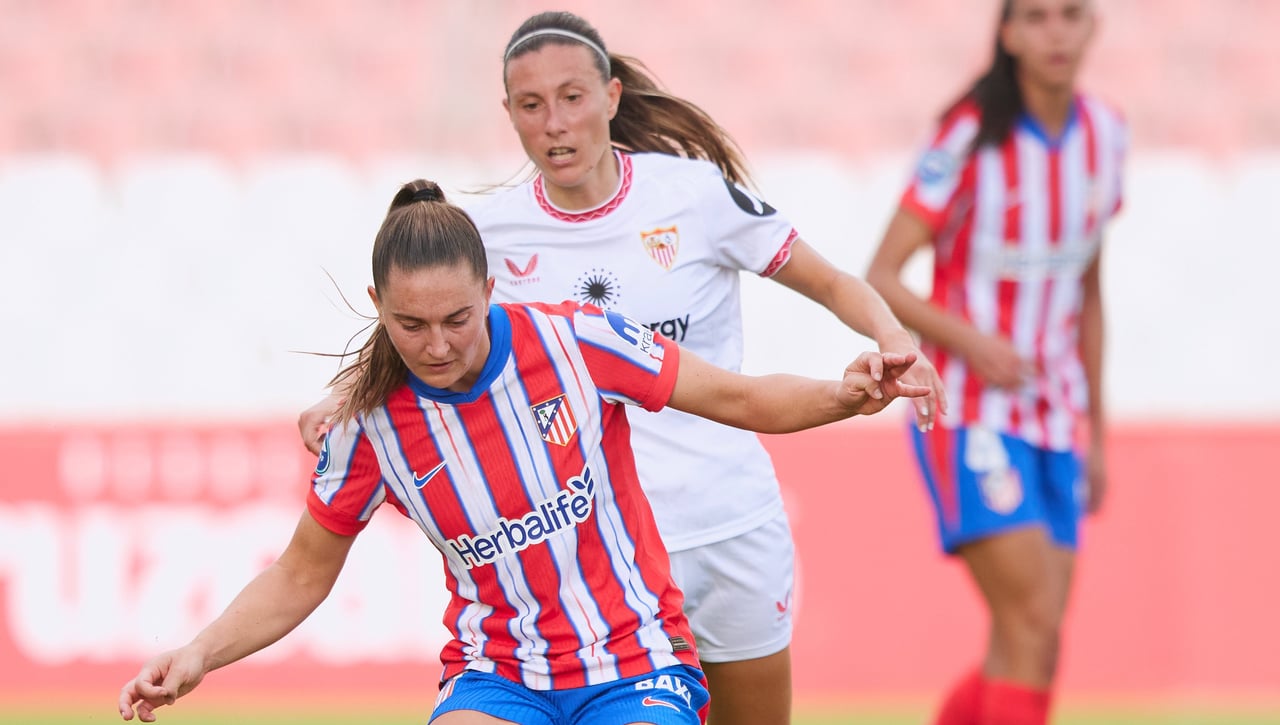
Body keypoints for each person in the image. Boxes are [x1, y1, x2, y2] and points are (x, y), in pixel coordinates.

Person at [295, 12, 946, 723]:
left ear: (611, 96)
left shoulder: (694, 196)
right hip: (604, 563)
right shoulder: (490, 235)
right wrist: (340, 400)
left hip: (725, 522)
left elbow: (827, 281)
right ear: (508, 114)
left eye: (572, 97)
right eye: (532, 105)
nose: (553, 123)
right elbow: (420, 328)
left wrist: (891, 335)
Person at [119, 180, 929, 725]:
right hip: (498, 671)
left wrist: (848, 392)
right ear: (378, 307)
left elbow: (740, 398)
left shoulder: (576, 340)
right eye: (411, 325)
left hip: (634, 657)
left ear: (490, 292)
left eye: (456, 319)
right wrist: (198, 653)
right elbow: (301, 570)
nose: (436, 344)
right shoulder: (367, 427)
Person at [863, 1, 1124, 724]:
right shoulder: (970, 135)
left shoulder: (1106, 135)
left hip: (1054, 417)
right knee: (1033, 621)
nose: (1056, 33)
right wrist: (973, 342)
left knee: (1031, 644)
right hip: (970, 410)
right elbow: (881, 273)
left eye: (1070, 15)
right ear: (1007, 34)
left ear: (1092, 27)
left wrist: (1098, 431)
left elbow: (1090, 291)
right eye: (1036, 17)